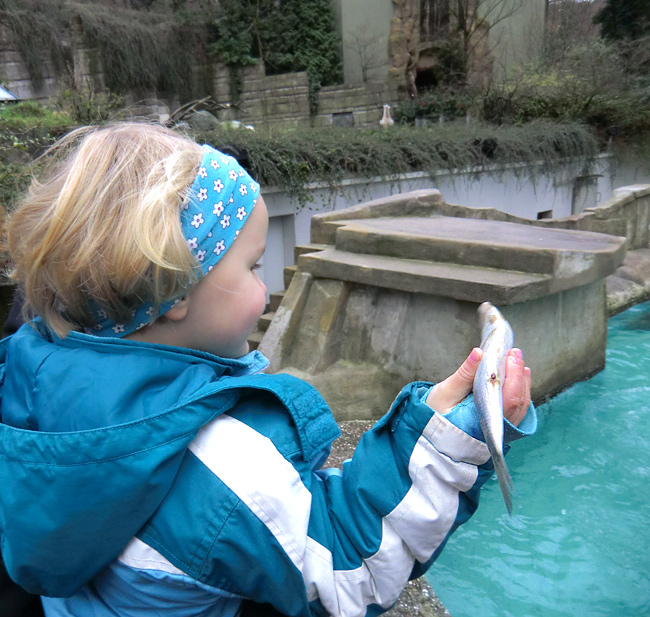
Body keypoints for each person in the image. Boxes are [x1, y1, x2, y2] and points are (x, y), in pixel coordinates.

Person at [0, 123, 536, 617]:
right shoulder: (217, 466)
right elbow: (350, 565)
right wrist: (450, 440)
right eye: (253, 265)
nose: (265, 285)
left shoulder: (29, 385)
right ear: (175, 290)